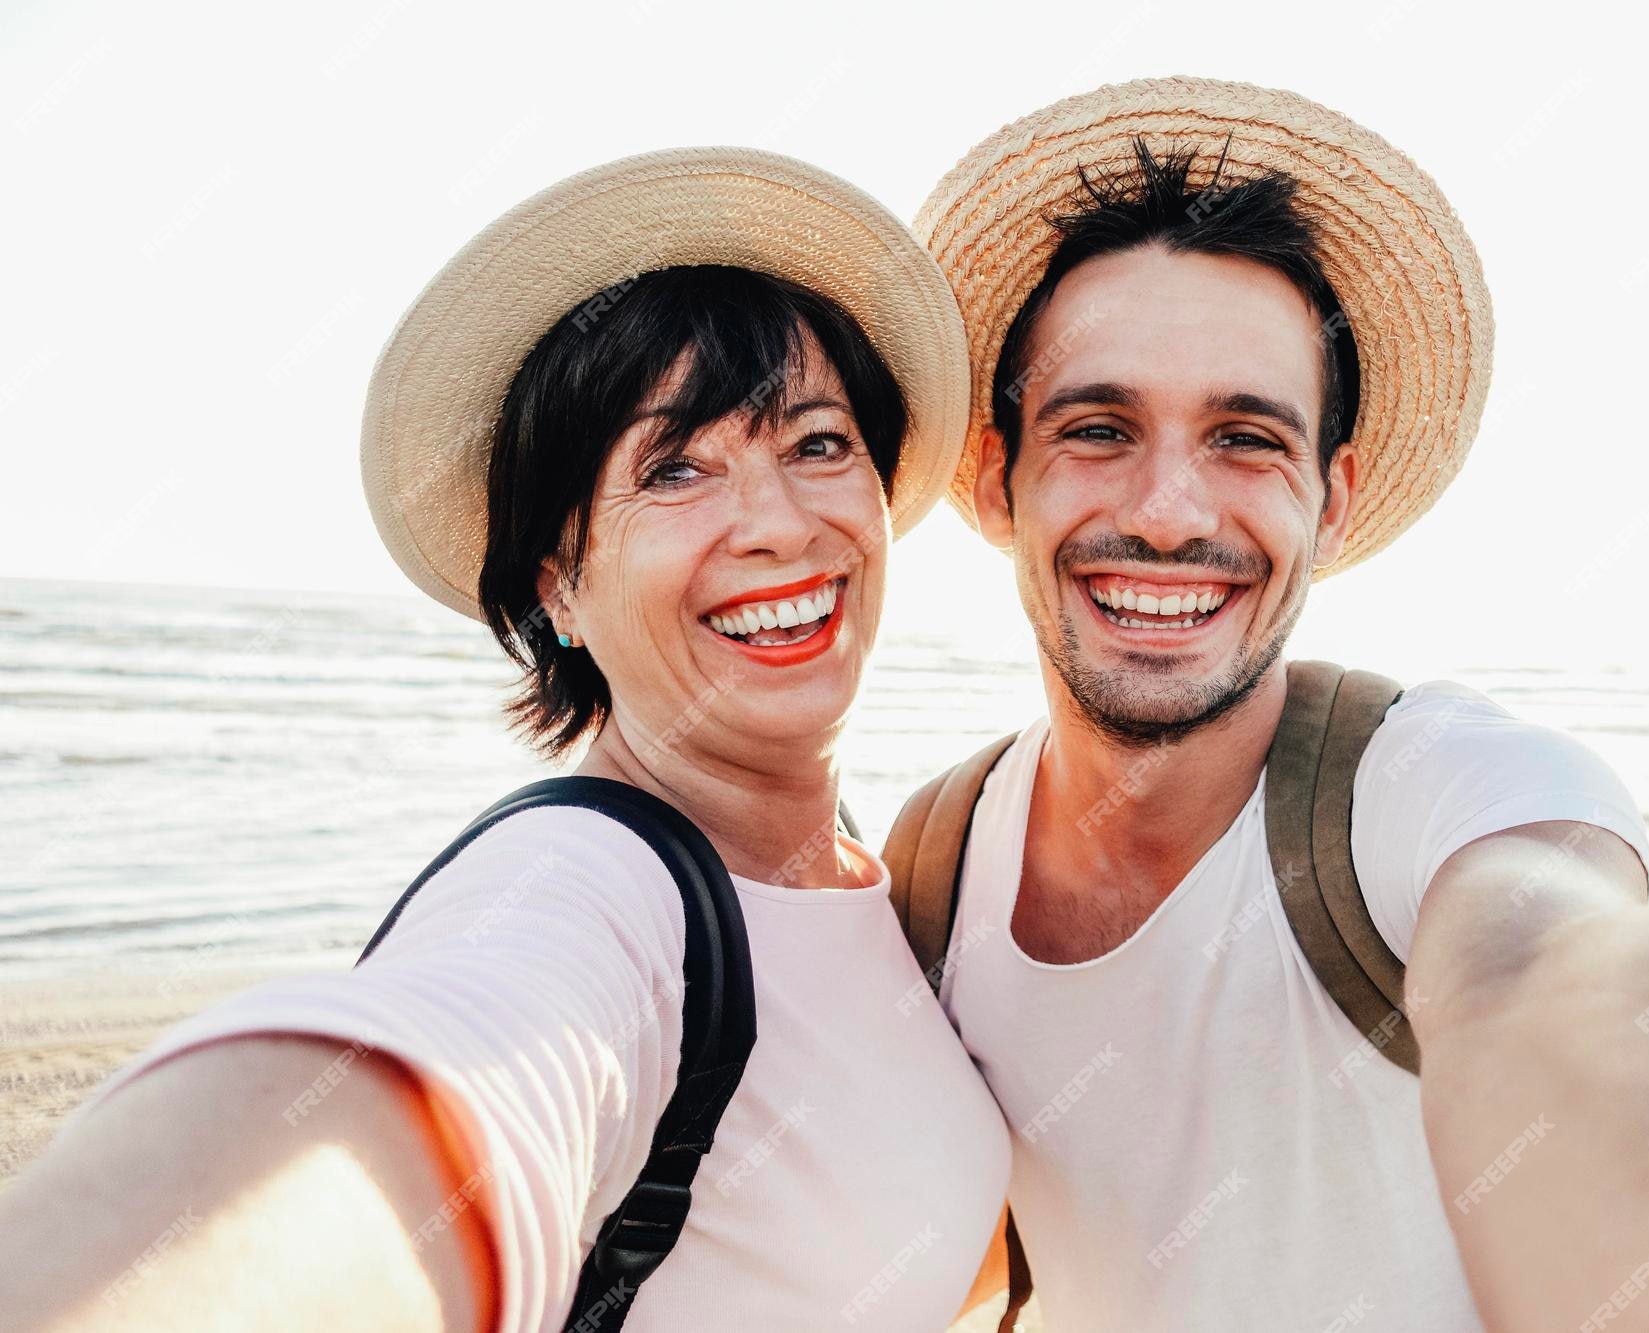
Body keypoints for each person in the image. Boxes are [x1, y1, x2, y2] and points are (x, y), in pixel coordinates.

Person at [903, 77, 1649, 1331]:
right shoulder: (937, 858)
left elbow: (1565, 971)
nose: (1169, 512)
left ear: (1332, 496)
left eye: (1247, 438)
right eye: (1096, 427)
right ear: (996, 481)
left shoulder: (1435, 793)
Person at [0, 149, 1009, 1331]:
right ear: (560, 590)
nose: (777, 524)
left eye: (818, 443)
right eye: (674, 467)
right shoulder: (586, 887)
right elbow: (433, 1085)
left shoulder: (875, 866)